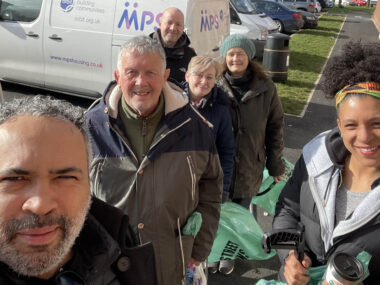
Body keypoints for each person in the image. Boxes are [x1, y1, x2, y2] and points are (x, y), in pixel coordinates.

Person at [86, 35, 223, 285]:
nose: (141, 82)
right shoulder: (91, 128)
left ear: (165, 76)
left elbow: (211, 189)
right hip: (107, 267)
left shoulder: (194, 126)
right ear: (117, 76)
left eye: (150, 72)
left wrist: (200, 248)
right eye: (131, 72)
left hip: (171, 264)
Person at [0, 96, 156, 284]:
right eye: (15, 179)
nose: (40, 205)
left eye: (64, 177)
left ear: (88, 189)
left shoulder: (121, 248)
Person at [273, 41, 380, 284]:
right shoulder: (315, 160)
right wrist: (289, 256)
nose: (364, 137)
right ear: (340, 126)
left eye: (377, 123)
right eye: (351, 125)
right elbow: (287, 211)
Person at [216, 34, 285, 274]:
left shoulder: (266, 88)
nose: (236, 58)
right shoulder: (214, 85)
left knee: (240, 216)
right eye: (231, 54)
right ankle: (212, 253)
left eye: (241, 53)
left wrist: (276, 166)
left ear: (249, 56)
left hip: (249, 167)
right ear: (225, 57)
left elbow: (276, 127)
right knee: (215, 212)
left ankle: (229, 255)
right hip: (217, 167)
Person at [150, 7, 196, 84]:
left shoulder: (190, 56)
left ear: (183, 28)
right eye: (169, 22)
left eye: (178, 24)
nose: (173, 28)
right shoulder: (144, 51)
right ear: (160, 24)